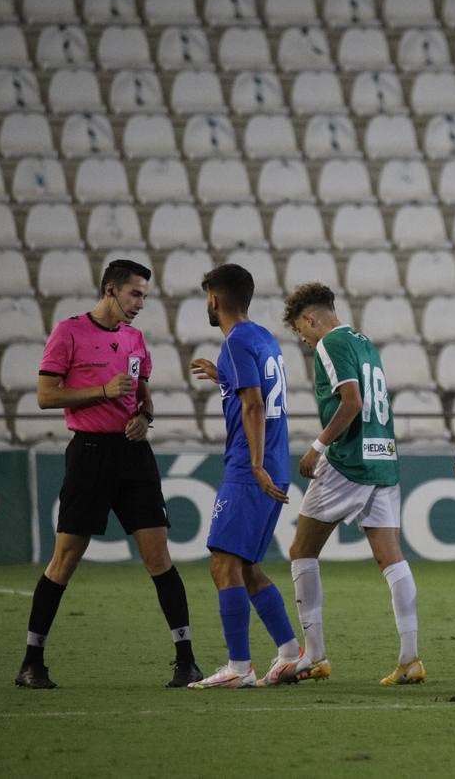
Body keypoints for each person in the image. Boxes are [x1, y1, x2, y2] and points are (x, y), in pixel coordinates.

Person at [16, 259, 201, 689]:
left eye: (145, 296)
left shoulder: (135, 339)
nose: (140, 303)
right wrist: (102, 390)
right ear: (109, 289)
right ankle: (31, 662)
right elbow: (46, 395)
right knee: (65, 560)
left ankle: (186, 661)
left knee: (160, 558)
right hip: (90, 454)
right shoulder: (69, 332)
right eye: (135, 294)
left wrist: (145, 417)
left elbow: (142, 395)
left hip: (134, 454)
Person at [282, 283, 424, 687]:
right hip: (383, 459)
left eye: (300, 331)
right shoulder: (365, 342)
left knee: (301, 551)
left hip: (350, 461)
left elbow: (352, 401)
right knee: (392, 559)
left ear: (310, 319)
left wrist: (317, 446)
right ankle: (410, 658)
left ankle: (314, 655)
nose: (304, 341)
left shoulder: (330, 343)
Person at [186, 264, 309, 689]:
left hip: (250, 465)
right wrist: (224, 379)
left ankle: (239, 667)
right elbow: (259, 393)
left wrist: (253, 465)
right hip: (274, 458)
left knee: (223, 564)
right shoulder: (262, 337)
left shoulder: (235, 342)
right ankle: (291, 652)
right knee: (247, 566)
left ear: (215, 299)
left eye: (207, 297)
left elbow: (255, 405)